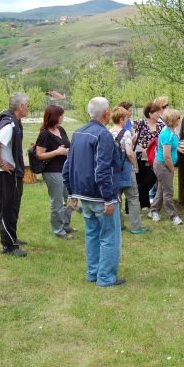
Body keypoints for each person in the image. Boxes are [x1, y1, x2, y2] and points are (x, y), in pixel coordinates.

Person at [63, 97, 125, 287]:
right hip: (100, 196)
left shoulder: (78, 132)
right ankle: (105, 277)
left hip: (84, 195)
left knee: (92, 234)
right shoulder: (103, 135)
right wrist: (108, 198)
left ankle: (93, 272)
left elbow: (68, 166)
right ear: (106, 114)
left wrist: (73, 192)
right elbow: (102, 170)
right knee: (109, 237)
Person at [0, 92, 29, 257]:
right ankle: (8, 246)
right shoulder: (9, 125)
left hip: (13, 172)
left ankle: (13, 238)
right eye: (27, 105)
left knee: (13, 207)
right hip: (5, 173)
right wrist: (1, 163)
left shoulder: (15, 121)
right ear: (21, 107)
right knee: (6, 208)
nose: (28, 108)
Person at [35, 105, 75, 239]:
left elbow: (67, 146)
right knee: (57, 201)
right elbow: (39, 155)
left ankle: (66, 224)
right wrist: (57, 152)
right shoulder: (45, 134)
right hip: (52, 171)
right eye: (61, 115)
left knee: (68, 198)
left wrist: (68, 151)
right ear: (54, 117)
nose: (63, 117)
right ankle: (58, 229)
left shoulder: (61, 129)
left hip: (65, 169)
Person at [110, 106, 148, 234]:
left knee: (117, 199)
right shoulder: (125, 133)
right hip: (126, 169)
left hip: (114, 171)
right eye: (126, 118)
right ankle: (136, 227)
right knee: (132, 198)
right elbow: (129, 152)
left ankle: (119, 225)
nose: (127, 120)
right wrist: (134, 165)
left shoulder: (108, 132)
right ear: (121, 119)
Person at [149, 108, 183, 225]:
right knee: (168, 191)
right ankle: (173, 216)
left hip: (164, 165)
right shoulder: (167, 133)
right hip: (163, 165)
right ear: (173, 120)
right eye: (178, 118)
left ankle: (154, 211)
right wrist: (172, 169)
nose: (180, 119)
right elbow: (167, 156)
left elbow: (172, 146)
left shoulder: (171, 131)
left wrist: (179, 148)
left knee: (161, 189)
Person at [134, 102, 163, 208]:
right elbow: (130, 134)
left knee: (151, 179)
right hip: (141, 156)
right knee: (142, 179)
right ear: (150, 114)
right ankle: (144, 204)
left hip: (155, 157)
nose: (159, 114)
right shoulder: (139, 123)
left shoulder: (161, 125)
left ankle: (133, 198)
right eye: (156, 112)